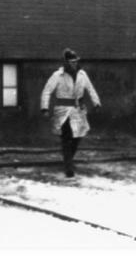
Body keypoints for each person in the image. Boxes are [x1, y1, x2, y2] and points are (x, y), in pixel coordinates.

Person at [40, 48, 101, 177]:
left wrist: (96, 102)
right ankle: (68, 167)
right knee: (66, 137)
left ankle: (68, 160)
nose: (74, 64)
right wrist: (44, 108)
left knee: (78, 136)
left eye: (75, 61)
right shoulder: (57, 75)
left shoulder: (82, 74)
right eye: (71, 62)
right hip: (63, 111)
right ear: (65, 62)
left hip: (78, 110)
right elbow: (47, 91)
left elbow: (90, 89)